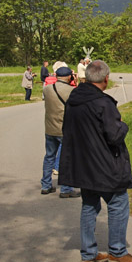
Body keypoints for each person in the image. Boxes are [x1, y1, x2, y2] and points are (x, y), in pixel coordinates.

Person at [60, 59, 132, 262]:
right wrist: (123, 125)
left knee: (89, 206)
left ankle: (88, 253)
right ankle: (117, 251)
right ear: (106, 79)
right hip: (105, 165)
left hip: (83, 164)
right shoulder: (103, 103)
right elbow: (114, 136)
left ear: (86, 77)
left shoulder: (73, 99)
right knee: (118, 204)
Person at [40, 66, 81, 198]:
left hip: (50, 129)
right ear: (70, 76)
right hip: (65, 130)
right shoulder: (72, 91)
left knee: (49, 157)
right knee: (66, 159)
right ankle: (66, 188)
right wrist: (77, 81)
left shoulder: (46, 89)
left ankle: (46, 185)